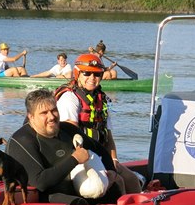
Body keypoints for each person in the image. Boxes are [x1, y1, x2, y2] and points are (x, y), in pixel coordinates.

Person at [6, 88, 121, 205]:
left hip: (75, 186)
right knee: (79, 203)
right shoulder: (21, 141)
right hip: (43, 196)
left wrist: (111, 171)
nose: (51, 117)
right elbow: (39, 182)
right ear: (31, 117)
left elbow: (98, 148)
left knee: (114, 191)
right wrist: (74, 159)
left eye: (54, 110)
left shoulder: (67, 129)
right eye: (44, 113)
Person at [54, 53, 143, 194]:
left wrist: (113, 160)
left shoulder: (100, 100)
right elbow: (70, 135)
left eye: (96, 75)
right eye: (87, 73)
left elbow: (108, 136)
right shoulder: (69, 98)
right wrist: (102, 165)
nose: (92, 78)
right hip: (78, 156)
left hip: (100, 153)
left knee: (131, 179)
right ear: (77, 73)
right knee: (117, 181)